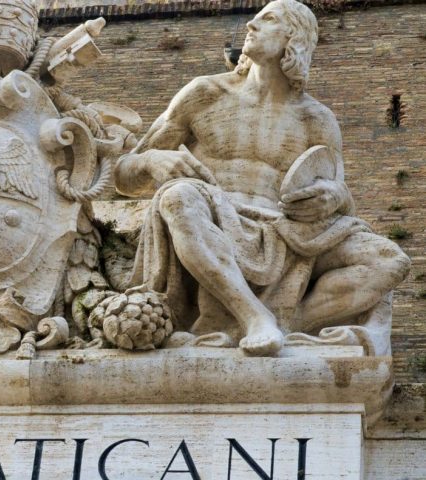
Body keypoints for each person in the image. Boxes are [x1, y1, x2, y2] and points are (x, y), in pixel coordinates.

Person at [114, 0, 409, 355]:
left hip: (286, 231)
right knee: (178, 196)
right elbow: (123, 177)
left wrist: (334, 195)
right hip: (213, 216)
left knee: (389, 260)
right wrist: (151, 160)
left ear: (294, 39)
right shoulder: (204, 93)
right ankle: (253, 317)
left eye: (267, 19)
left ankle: (282, 322)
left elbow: (342, 199)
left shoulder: (317, 119)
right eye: (255, 18)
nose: (251, 24)